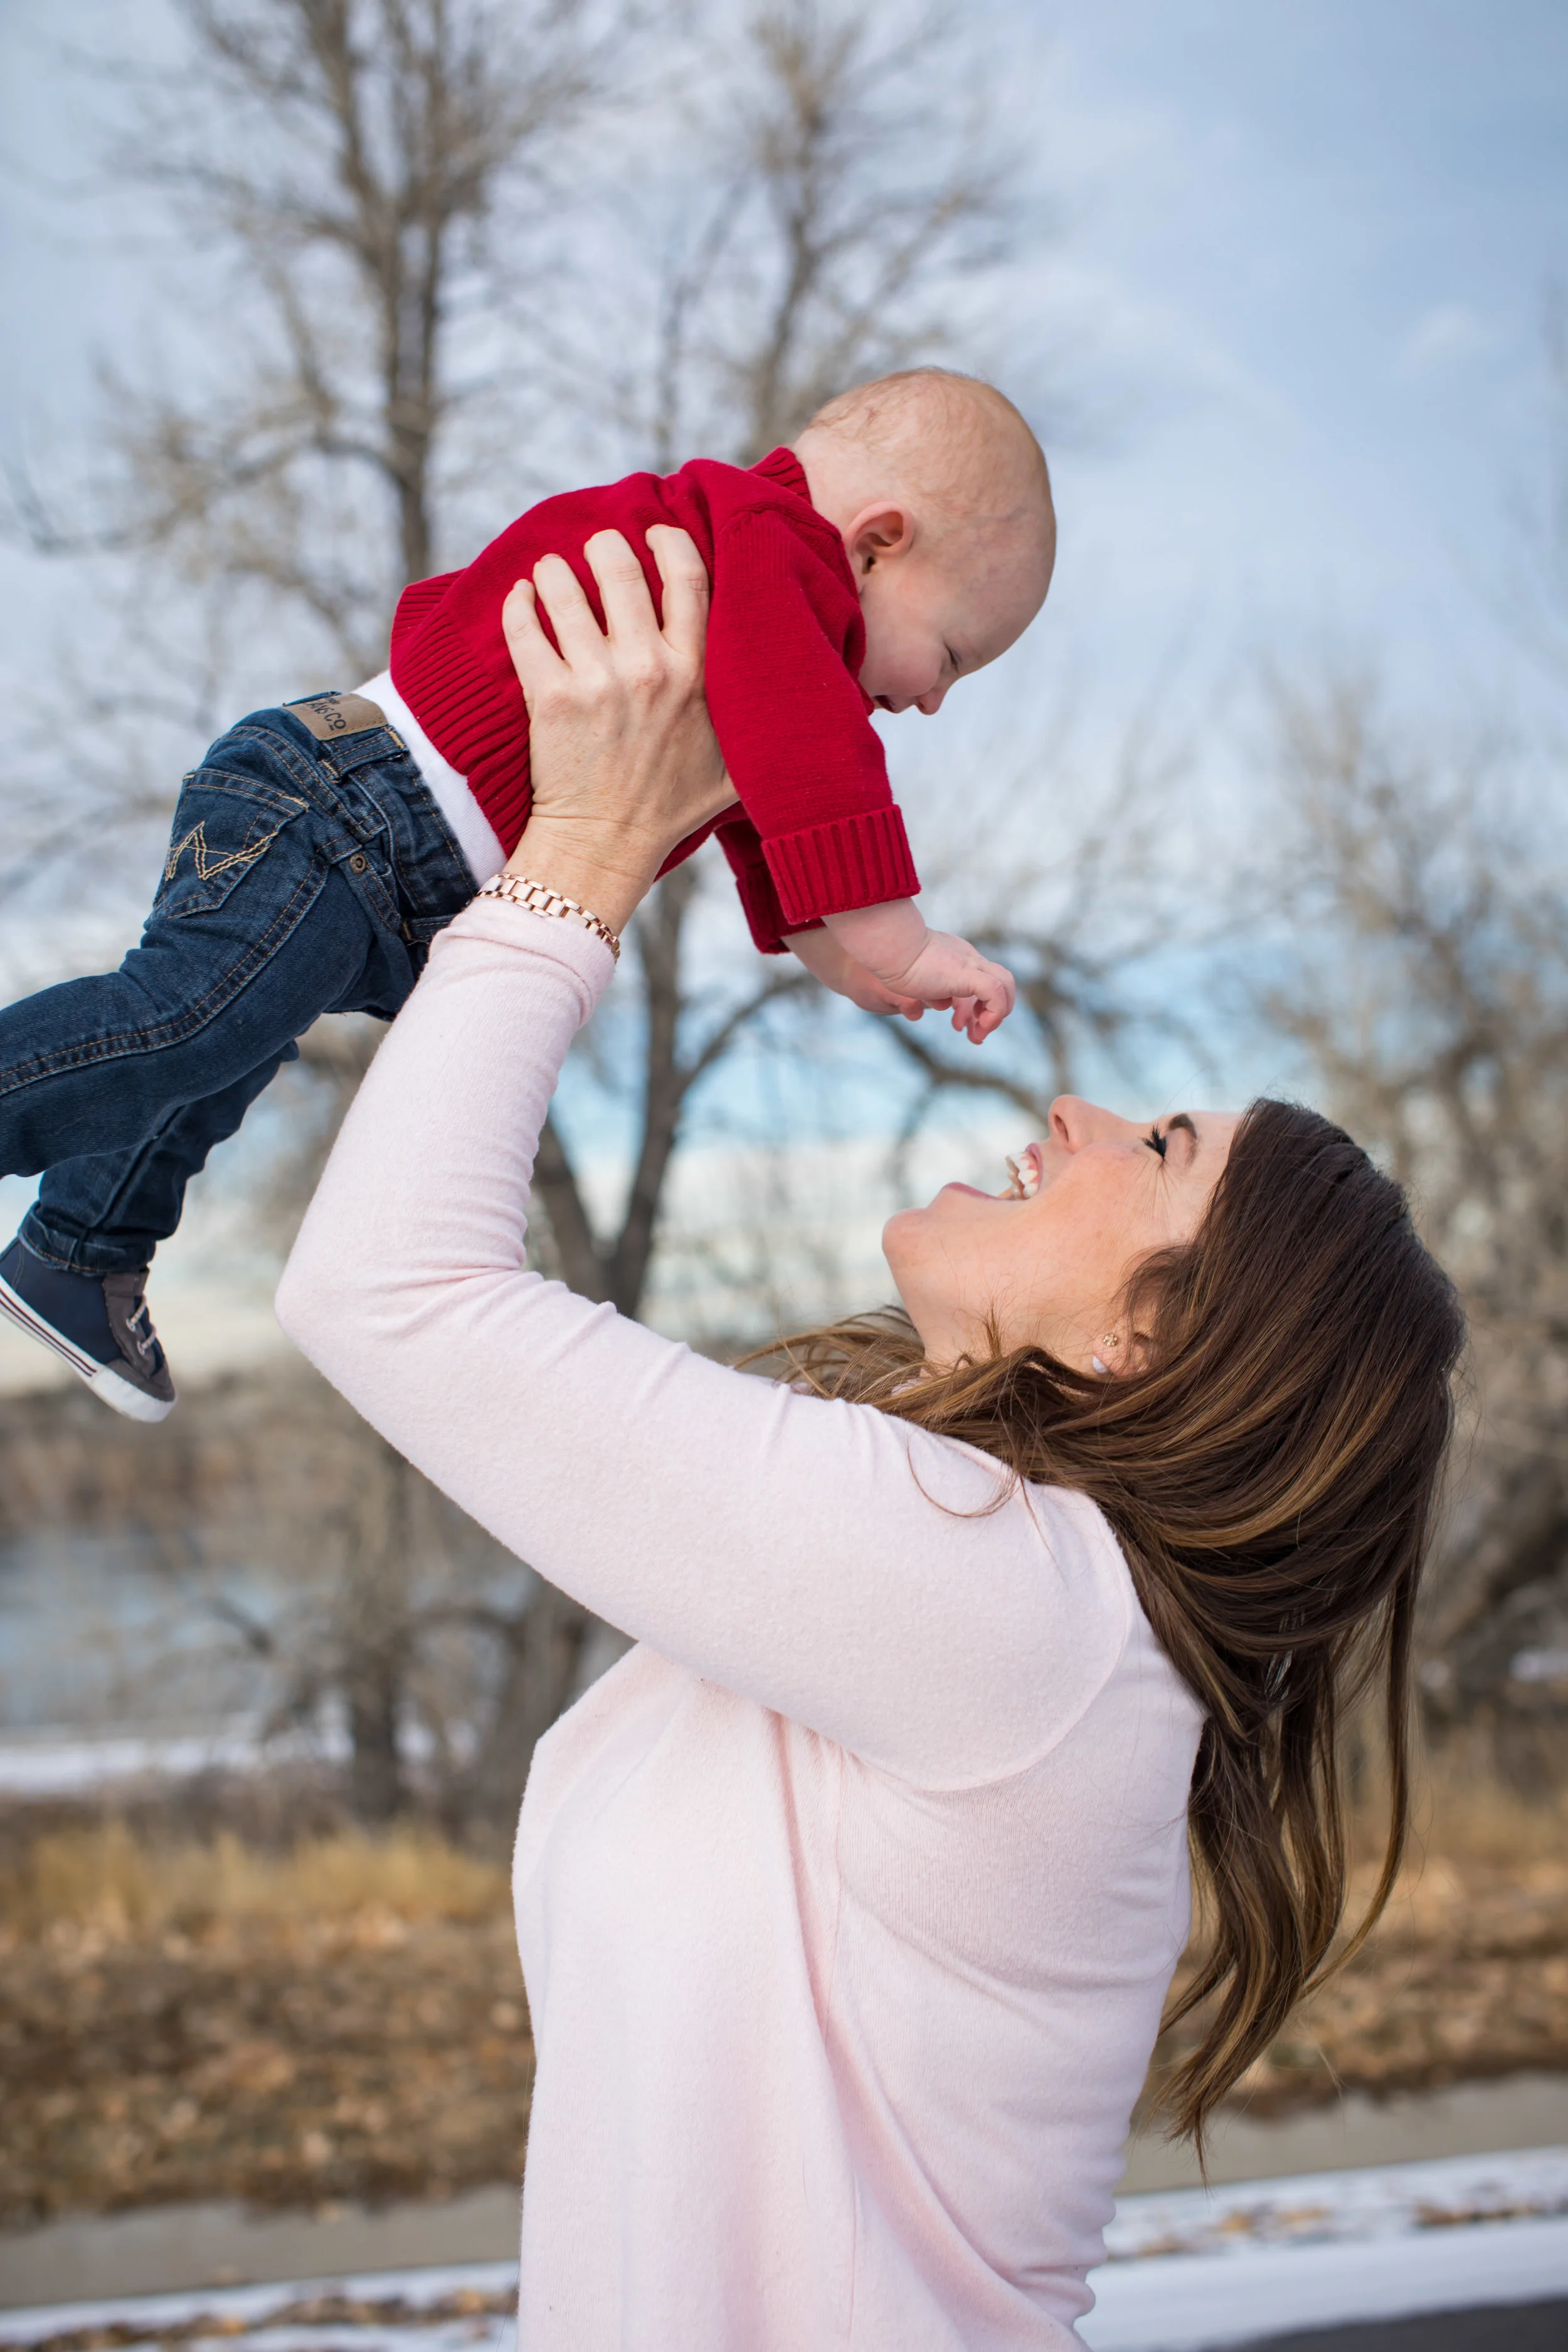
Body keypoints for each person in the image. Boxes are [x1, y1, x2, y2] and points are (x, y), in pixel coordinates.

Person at [274, 527, 1465, 2350]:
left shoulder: (1018, 1608)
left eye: (1155, 1149)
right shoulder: (1004, 1600)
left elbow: (386, 1291)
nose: (1070, 1110)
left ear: (1152, 1339)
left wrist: (583, 858)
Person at [0, 368, 1051, 1422]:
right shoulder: (771, 544)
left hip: (367, 859)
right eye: (953, 655)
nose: (930, 700)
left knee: (219, 1051)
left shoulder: (746, 606)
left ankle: (80, 1255)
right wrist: (908, 943)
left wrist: (857, 964)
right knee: (186, 1025)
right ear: (876, 543)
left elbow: (770, 821)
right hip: (343, 814)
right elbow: (817, 761)